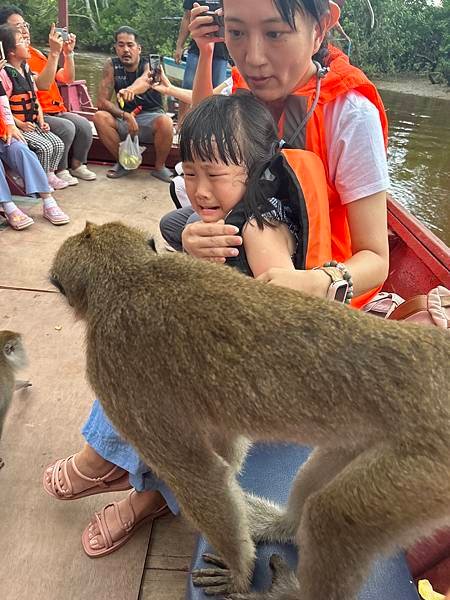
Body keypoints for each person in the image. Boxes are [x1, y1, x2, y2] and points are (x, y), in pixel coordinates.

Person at [42, 90, 333, 557]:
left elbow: (278, 323)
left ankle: (111, 468)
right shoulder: (225, 211)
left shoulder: (260, 229)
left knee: (138, 376)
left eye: (214, 176)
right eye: (190, 172)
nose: (199, 190)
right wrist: (188, 240)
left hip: (258, 384)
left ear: (257, 172)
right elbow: (173, 222)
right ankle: (139, 485)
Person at [161, 0, 390, 310]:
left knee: (247, 230)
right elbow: (204, 133)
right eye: (237, 31)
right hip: (248, 213)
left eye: (275, 33)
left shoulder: (350, 116)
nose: (253, 59)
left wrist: (318, 282)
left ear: (320, 28)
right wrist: (206, 52)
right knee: (179, 227)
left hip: (317, 274)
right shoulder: (239, 89)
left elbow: (377, 260)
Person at [0, 6, 96, 185]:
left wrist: (68, 54)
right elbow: (42, 84)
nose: (25, 31)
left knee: (83, 124)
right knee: (67, 127)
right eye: (18, 27)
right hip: (33, 114)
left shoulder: (34, 53)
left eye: (25, 25)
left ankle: (77, 165)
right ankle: (59, 170)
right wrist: (54, 53)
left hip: (52, 109)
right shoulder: (11, 61)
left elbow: (66, 78)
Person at [0, 25, 70, 224]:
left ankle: (48, 201)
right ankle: (8, 205)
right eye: (20, 39)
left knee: (22, 150)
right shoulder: (5, 73)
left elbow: (6, 101)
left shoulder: (18, 69)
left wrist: (12, 125)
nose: (26, 38)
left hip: (4, 129)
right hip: (11, 125)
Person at [94, 26, 173, 182]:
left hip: (151, 119)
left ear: (138, 48)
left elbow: (145, 80)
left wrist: (130, 90)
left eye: (130, 45)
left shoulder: (150, 64)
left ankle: (159, 167)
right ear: (115, 48)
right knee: (99, 117)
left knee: (166, 122)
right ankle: (124, 162)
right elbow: (101, 102)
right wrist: (125, 115)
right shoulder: (112, 65)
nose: (126, 50)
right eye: (121, 45)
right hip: (125, 119)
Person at [174, 0, 229, 123]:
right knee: (188, 85)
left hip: (222, 51)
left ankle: (211, 126)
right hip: (197, 48)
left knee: (217, 93)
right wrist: (179, 46)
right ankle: (181, 124)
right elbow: (187, 18)